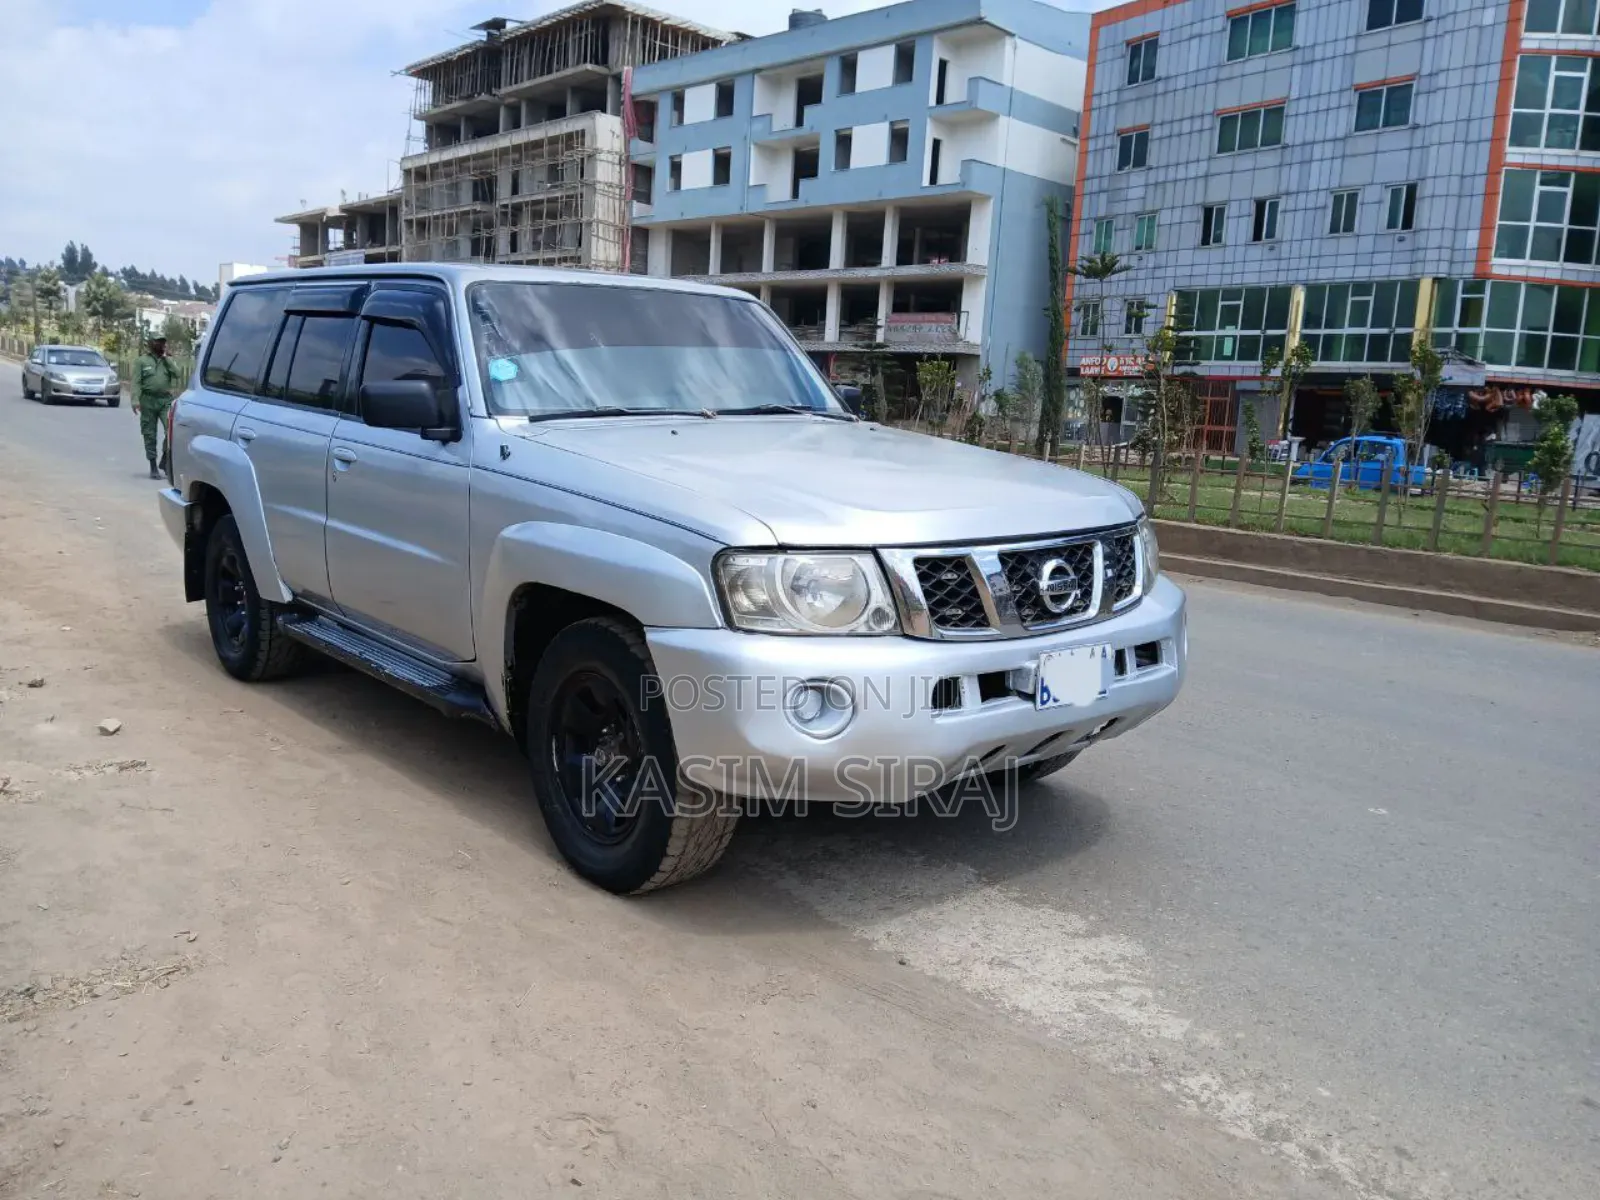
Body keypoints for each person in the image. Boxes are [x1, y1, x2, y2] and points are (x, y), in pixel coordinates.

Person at [132, 334, 182, 479]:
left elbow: (178, 374)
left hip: (165, 400)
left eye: (163, 342)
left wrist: (167, 359)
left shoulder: (168, 360)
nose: (161, 345)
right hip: (148, 400)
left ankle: (165, 459)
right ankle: (153, 466)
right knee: (149, 433)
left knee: (171, 431)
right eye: (158, 342)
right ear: (151, 344)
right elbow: (136, 382)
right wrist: (135, 400)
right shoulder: (142, 361)